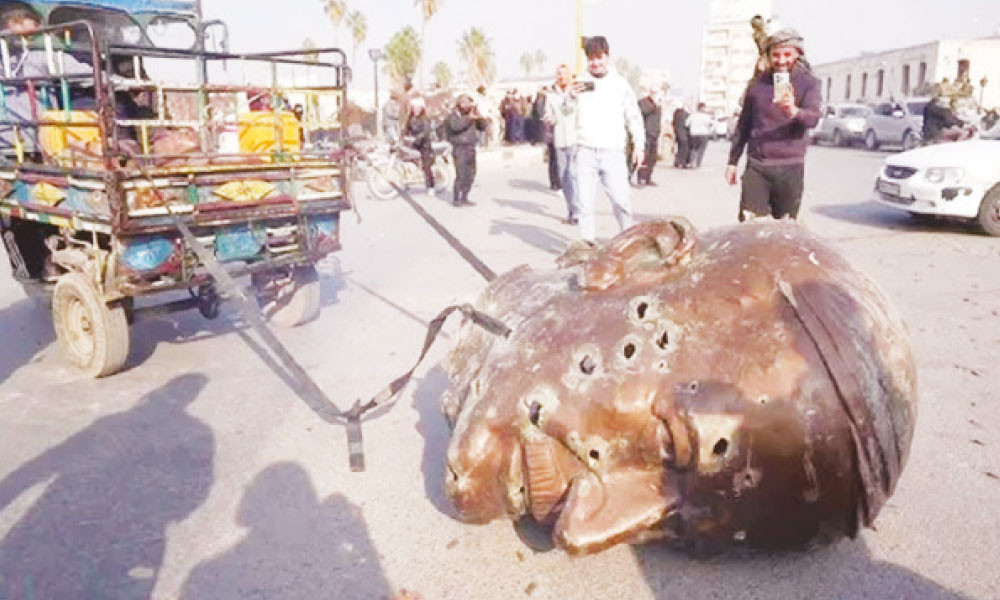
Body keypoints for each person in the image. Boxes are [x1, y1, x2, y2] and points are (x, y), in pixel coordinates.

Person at [725, 27, 821, 221]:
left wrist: (794, 111)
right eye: (776, 55)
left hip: (790, 167)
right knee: (751, 225)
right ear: (768, 56)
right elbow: (743, 125)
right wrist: (732, 162)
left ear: (797, 54)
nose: (782, 60)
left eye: (787, 54)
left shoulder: (809, 83)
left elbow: (813, 118)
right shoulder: (756, 85)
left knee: (784, 230)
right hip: (758, 165)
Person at [570, 36, 645, 242]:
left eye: (599, 57)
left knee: (622, 202)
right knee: (584, 204)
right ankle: (588, 244)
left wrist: (639, 145)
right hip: (585, 151)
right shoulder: (580, 83)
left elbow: (633, 116)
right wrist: (569, 98)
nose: (595, 62)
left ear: (607, 57)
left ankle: (627, 240)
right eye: (591, 58)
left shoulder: (620, 84)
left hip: (613, 152)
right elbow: (565, 113)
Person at [0, 9, 92, 161]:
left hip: (10, 139)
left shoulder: (34, 55)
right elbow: (87, 75)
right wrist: (122, 82)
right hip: (36, 140)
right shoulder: (44, 54)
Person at [544, 64, 579, 224]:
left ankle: (579, 211)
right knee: (564, 178)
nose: (562, 77)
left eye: (565, 74)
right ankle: (572, 210)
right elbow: (549, 114)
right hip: (559, 140)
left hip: (576, 139)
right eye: (559, 74)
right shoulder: (551, 95)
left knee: (573, 174)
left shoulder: (578, 93)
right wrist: (549, 119)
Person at [445, 92, 488, 207]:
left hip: (470, 147)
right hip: (459, 148)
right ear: (459, 104)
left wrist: (479, 117)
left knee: (471, 174)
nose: (466, 105)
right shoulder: (453, 115)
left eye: (468, 103)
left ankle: (465, 196)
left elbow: (483, 127)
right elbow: (456, 127)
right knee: (461, 174)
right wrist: (469, 119)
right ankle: (456, 198)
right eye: (464, 103)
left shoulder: (472, 115)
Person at [403, 96, 436, 193]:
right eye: (414, 108)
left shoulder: (425, 119)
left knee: (426, 166)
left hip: (424, 144)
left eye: (418, 108)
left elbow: (425, 132)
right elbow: (406, 129)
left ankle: (431, 186)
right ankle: (406, 181)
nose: (416, 110)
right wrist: (402, 136)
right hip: (413, 143)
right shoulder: (410, 118)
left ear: (422, 108)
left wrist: (417, 140)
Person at [636, 88, 662, 185]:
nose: (656, 95)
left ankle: (648, 177)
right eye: (654, 92)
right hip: (646, 133)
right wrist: (654, 104)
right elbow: (645, 111)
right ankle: (641, 178)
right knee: (644, 157)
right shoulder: (643, 102)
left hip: (655, 133)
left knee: (652, 157)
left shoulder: (658, 104)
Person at [686, 102, 714, 168]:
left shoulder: (692, 115)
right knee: (701, 149)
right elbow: (711, 124)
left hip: (694, 134)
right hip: (704, 134)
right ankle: (698, 164)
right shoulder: (706, 116)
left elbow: (687, 124)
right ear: (704, 108)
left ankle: (692, 162)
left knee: (693, 149)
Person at [672, 103, 690, 168]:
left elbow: (673, 123)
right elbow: (687, 124)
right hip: (684, 135)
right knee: (684, 149)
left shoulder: (675, 114)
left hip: (677, 134)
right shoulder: (684, 115)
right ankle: (682, 162)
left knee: (679, 148)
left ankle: (677, 161)